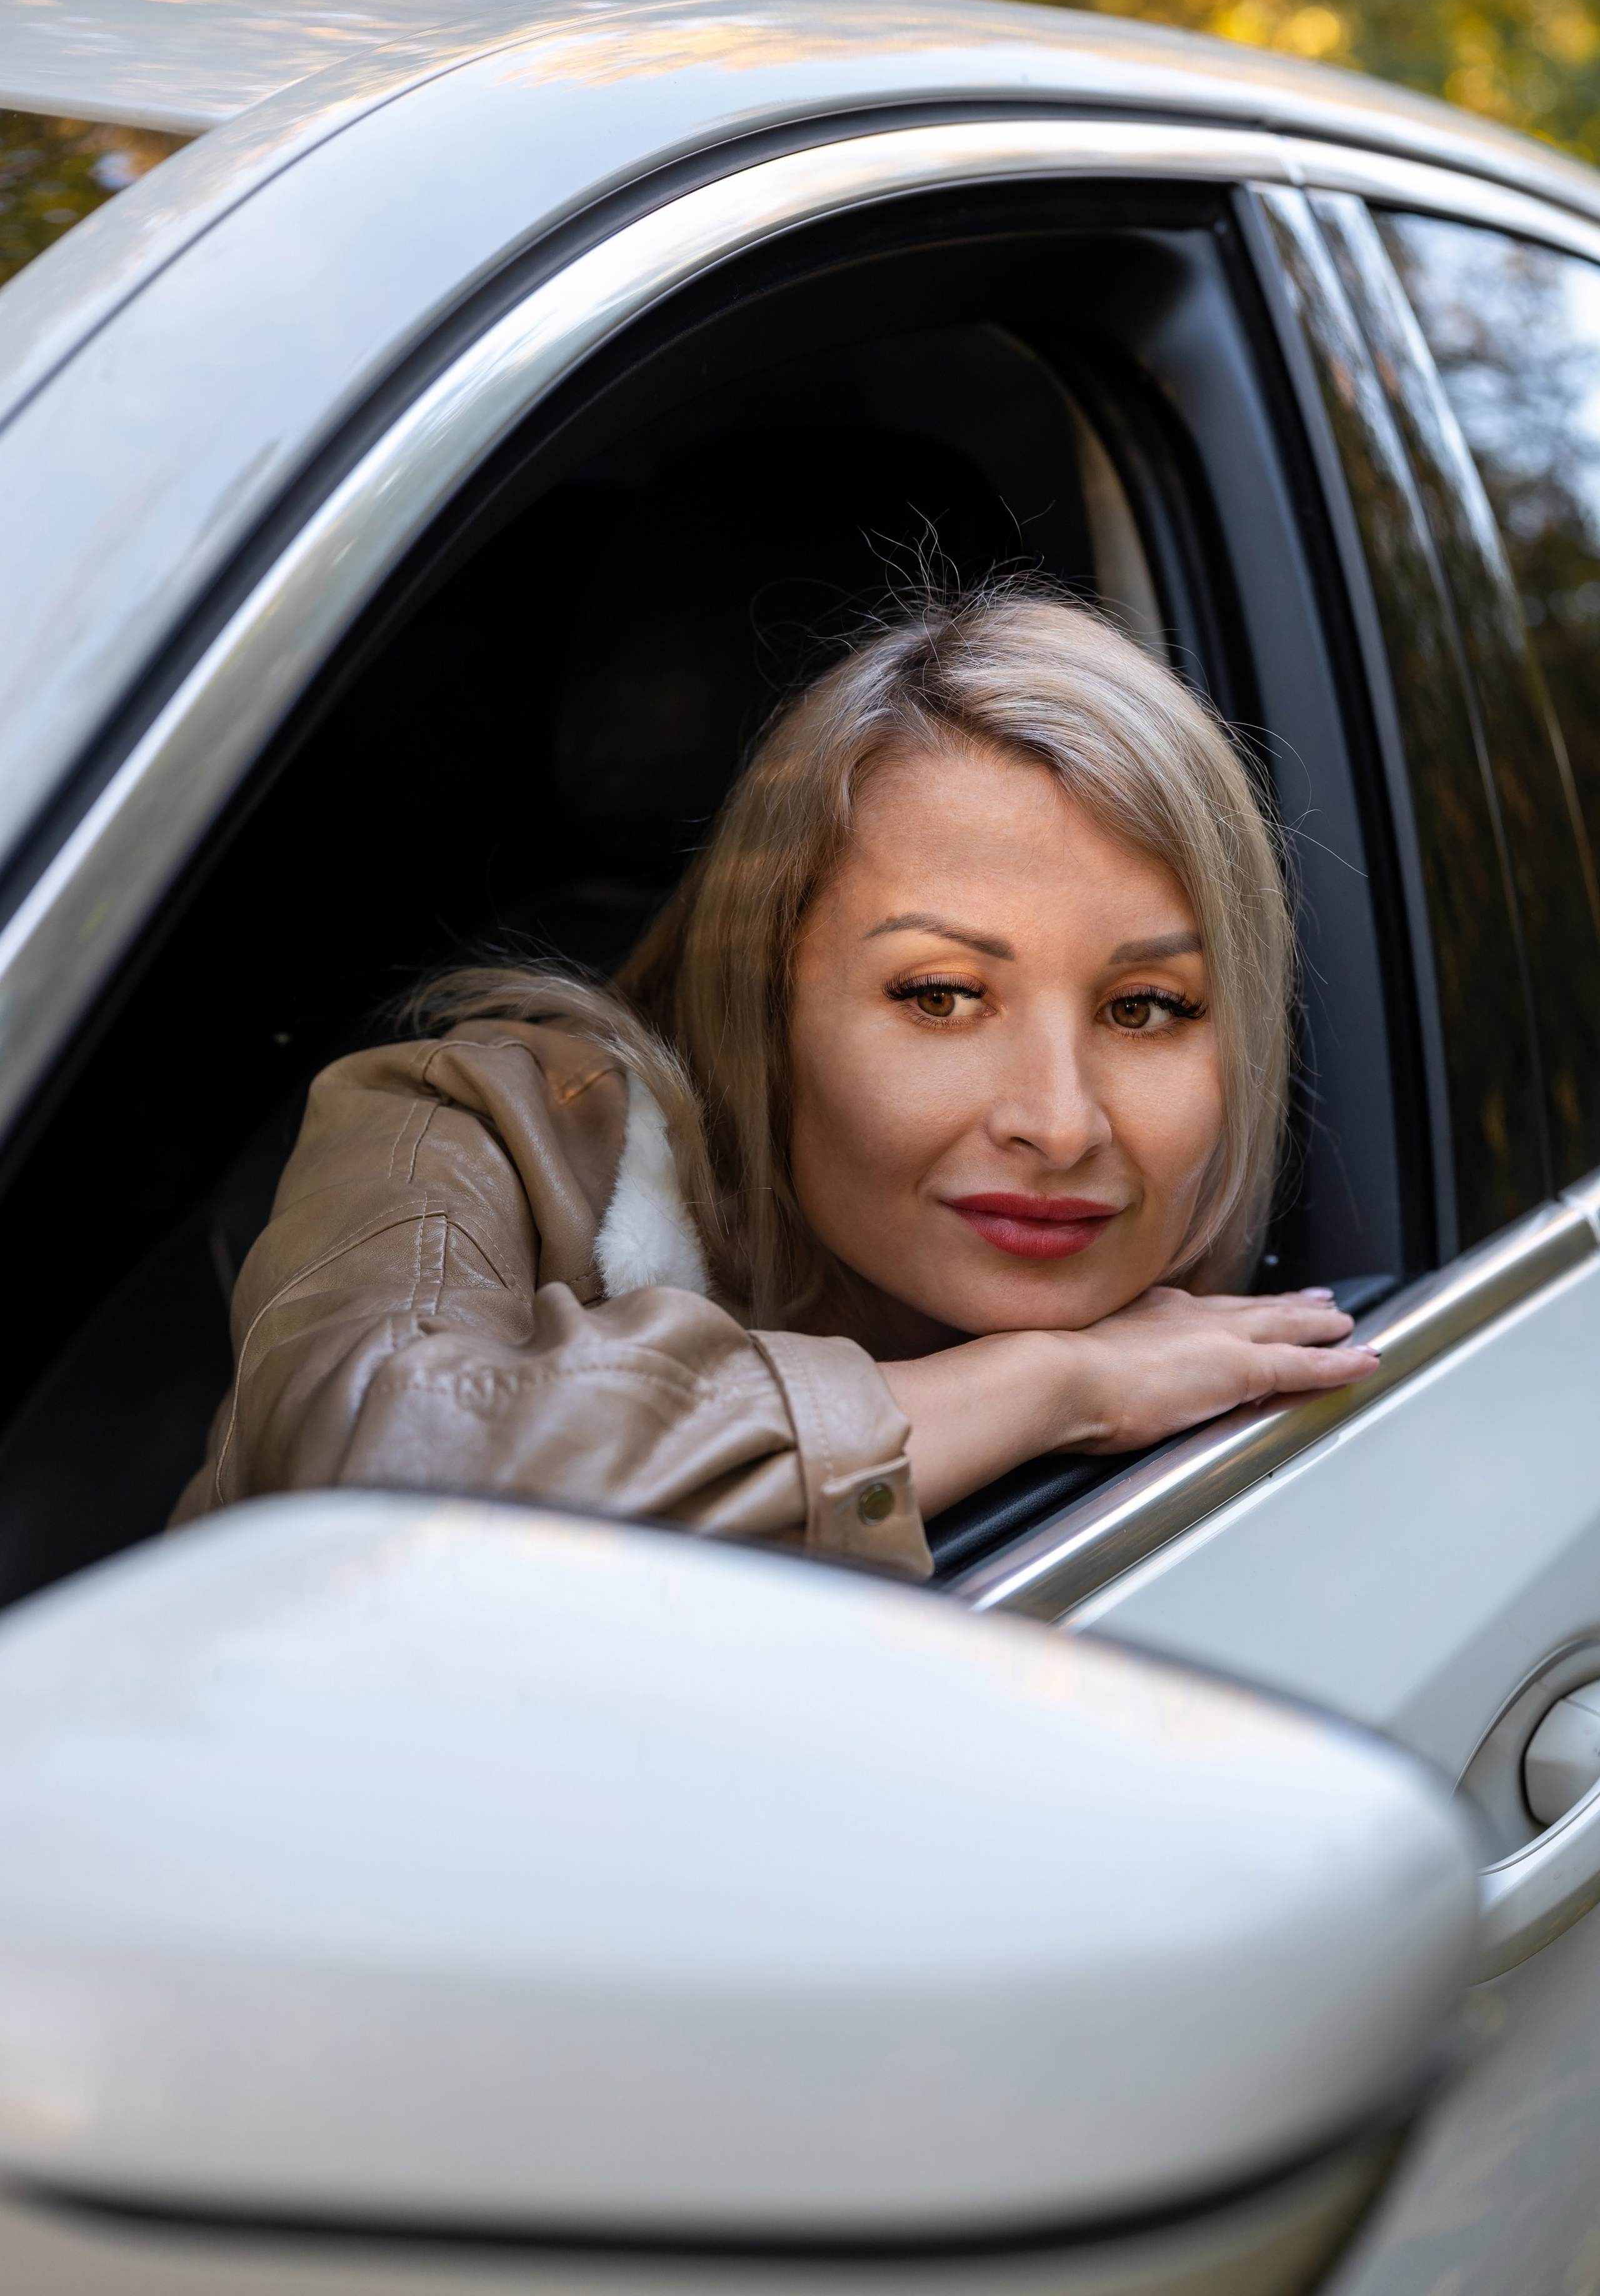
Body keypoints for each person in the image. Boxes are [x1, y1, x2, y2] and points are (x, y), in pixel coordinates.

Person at [173, 587, 1378, 1575]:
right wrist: (1046, 1387)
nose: (1059, 1124)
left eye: (1145, 1008)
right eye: (940, 995)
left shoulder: (1287, 1390)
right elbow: (370, 1479)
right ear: (769, 994)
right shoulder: (468, 1129)